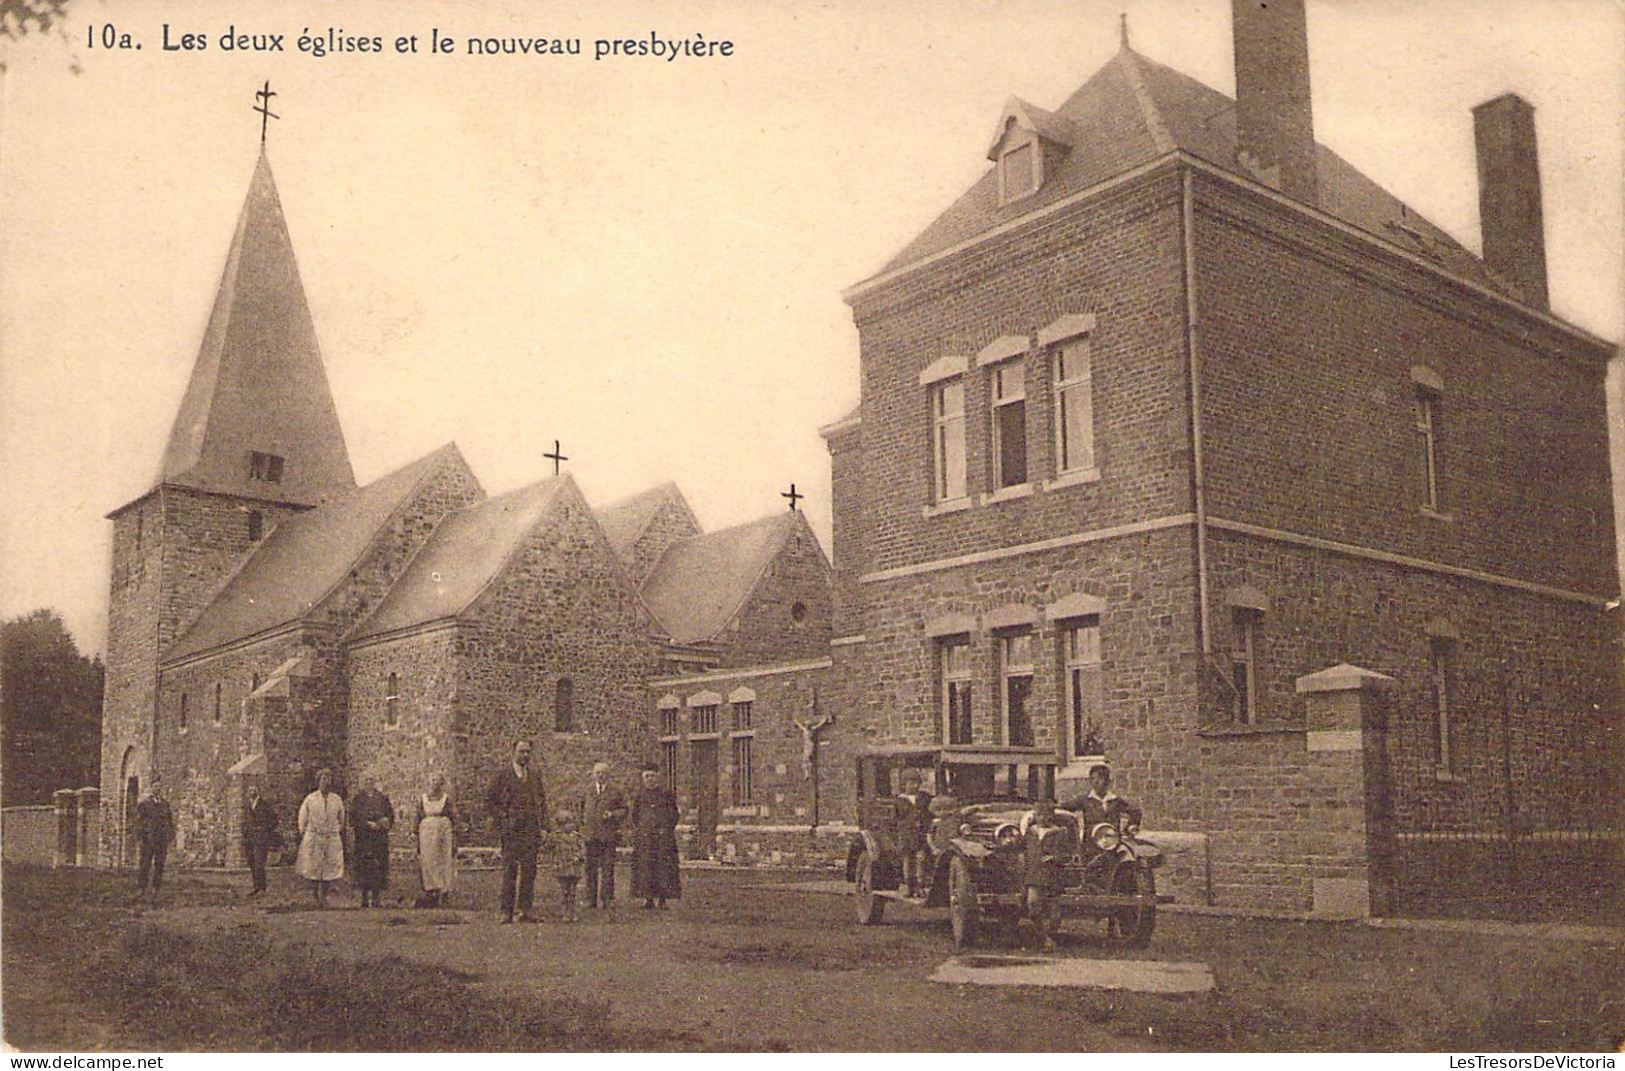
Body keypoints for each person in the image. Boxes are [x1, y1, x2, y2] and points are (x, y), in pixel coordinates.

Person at [487, 739, 549, 923]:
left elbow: (542, 802)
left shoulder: (534, 775)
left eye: (528, 752)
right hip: (511, 831)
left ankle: (525, 910)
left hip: (530, 830)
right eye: (522, 751)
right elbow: (490, 801)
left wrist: (544, 826)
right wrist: (503, 820)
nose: (525, 755)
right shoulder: (502, 775)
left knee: (530, 870)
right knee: (510, 871)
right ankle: (506, 911)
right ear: (513, 752)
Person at [629, 763, 680, 909]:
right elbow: (635, 816)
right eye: (647, 776)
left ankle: (663, 899)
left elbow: (674, 815)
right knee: (645, 868)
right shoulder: (639, 796)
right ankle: (647, 898)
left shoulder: (666, 794)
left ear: (658, 777)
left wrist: (666, 829)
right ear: (643, 779)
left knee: (663, 868)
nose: (649, 779)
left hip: (663, 839)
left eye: (652, 776)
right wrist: (641, 830)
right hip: (645, 839)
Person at [578, 761, 626, 909]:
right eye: (598, 772)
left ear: (608, 775)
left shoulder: (616, 792)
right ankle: (590, 899)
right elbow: (581, 810)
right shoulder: (587, 791)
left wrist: (612, 814)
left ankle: (607, 898)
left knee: (607, 868)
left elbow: (624, 810)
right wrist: (582, 828)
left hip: (607, 836)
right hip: (591, 836)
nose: (601, 775)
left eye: (603, 773)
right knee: (590, 868)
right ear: (593, 775)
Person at [1021, 798, 1067, 951]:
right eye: (1038, 814)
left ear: (1051, 815)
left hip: (1052, 876)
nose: (1041, 818)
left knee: (1054, 914)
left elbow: (1066, 854)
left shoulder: (1059, 833)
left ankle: (1050, 936)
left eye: (1045, 815)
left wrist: (1055, 857)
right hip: (1033, 876)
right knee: (1032, 904)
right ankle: (1044, 937)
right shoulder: (1030, 832)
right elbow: (1021, 849)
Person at [297, 768, 346, 907]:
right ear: (318, 781)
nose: (326, 782)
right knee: (313, 868)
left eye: (328, 779)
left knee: (328, 869)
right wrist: (307, 833)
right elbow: (302, 819)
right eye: (323, 779)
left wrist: (335, 831)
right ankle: (315, 895)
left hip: (330, 837)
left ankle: (324, 896)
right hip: (314, 836)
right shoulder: (311, 799)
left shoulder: (336, 799)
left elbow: (342, 819)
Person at [1060, 762, 1143, 838]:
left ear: (1107, 781)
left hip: (1111, 843)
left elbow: (1135, 812)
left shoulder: (1115, 801)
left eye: (1100, 778)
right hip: (1091, 845)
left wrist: (1128, 828)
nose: (1096, 782)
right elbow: (1064, 808)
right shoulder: (1085, 800)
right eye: (1092, 779)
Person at [350, 773, 395, 908]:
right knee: (364, 867)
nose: (369, 782)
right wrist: (366, 824)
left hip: (379, 838)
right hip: (364, 838)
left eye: (371, 780)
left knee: (378, 867)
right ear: (363, 783)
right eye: (367, 780)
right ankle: (364, 897)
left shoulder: (382, 798)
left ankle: (376, 898)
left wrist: (384, 823)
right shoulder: (358, 799)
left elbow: (390, 816)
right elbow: (353, 819)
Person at [414, 774, 456, 908]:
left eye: (437, 781)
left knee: (443, 860)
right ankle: (431, 891)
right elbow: (418, 816)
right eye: (432, 781)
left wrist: (455, 833)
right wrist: (415, 833)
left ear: (441, 784)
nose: (434, 784)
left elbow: (453, 815)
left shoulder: (446, 799)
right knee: (428, 861)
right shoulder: (423, 799)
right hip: (426, 832)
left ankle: (444, 891)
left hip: (443, 831)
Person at [134, 773, 175, 896]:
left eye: (159, 786)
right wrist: (140, 837)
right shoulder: (144, 804)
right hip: (148, 839)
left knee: (159, 864)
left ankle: (156, 887)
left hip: (161, 839)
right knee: (145, 863)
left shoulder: (165, 804)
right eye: (155, 786)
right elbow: (139, 822)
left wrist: (170, 836)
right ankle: (142, 887)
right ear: (151, 788)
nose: (157, 788)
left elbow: (169, 821)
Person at [896, 768, 934, 898]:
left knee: (921, 860)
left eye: (917, 782)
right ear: (904, 785)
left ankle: (921, 887)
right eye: (911, 783)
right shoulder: (899, 801)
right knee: (907, 862)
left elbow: (932, 811)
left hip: (921, 835)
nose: (915, 786)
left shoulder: (925, 797)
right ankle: (909, 888)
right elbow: (895, 819)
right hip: (906, 836)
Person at [243, 782, 280, 898]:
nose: (252, 791)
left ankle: (262, 888)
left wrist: (265, 830)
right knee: (252, 863)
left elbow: (274, 820)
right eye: (250, 789)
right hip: (250, 838)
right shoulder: (248, 805)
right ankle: (256, 887)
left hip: (261, 839)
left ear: (258, 791)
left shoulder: (264, 805)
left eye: (254, 789)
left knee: (259, 863)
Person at [546, 814, 586, 922]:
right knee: (564, 892)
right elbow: (549, 848)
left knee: (573, 892)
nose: (570, 826)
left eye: (571, 823)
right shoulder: (556, 837)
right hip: (562, 868)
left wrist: (578, 856)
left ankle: (573, 913)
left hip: (574, 868)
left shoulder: (577, 837)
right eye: (566, 824)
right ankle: (564, 913)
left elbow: (582, 849)